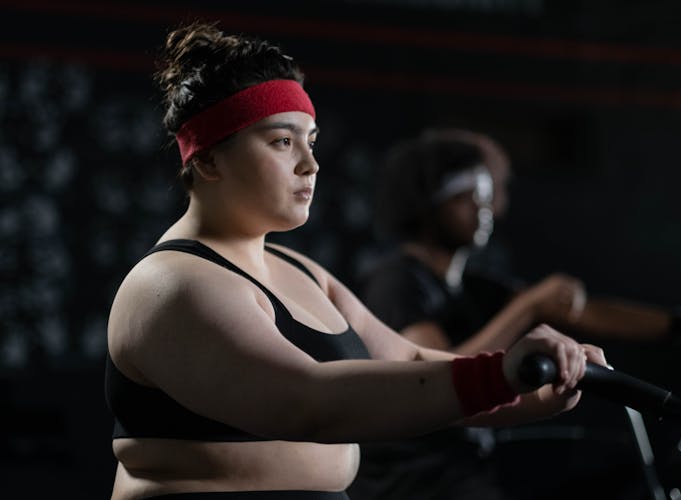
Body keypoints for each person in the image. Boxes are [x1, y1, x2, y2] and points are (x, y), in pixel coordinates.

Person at [104, 22, 607, 500]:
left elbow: (408, 363)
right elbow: (309, 401)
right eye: (283, 141)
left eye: (311, 140)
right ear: (209, 158)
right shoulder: (172, 284)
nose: (310, 163)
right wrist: (499, 378)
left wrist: (537, 388)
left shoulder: (302, 273)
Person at [348, 130, 681, 500]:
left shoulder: (475, 286)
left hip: (470, 463)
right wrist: (528, 308)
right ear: (429, 204)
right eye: (466, 197)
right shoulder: (399, 282)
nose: (484, 209)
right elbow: (435, 377)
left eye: (486, 197)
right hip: (415, 479)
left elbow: (588, 313)